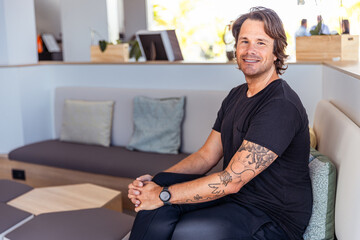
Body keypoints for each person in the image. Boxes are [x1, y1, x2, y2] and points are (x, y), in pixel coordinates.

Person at [128, 6, 312, 240]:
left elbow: (232, 180)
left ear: (277, 52)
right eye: (244, 41)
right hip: (238, 200)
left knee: (187, 227)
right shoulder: (236, 95)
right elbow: (206, 156)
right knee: (160, 186)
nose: (250, 50)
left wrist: (163, 195)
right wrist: (154, 184)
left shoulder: (281, 105)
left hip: (273, 217)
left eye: (261, 43)